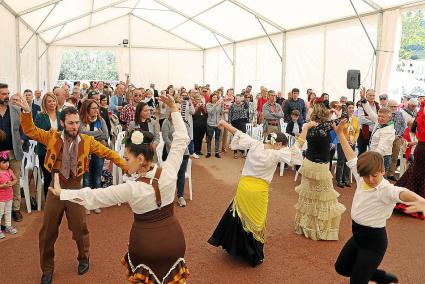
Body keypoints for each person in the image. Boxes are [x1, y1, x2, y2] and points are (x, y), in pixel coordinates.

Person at [49, 94, 190, 283]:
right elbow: (181, 139)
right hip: (175, 242)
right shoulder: (170, 171)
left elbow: (94, 197)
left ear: (140, 159)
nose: (123, 161)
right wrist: (173, 109)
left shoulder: (131, 189)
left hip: (145, 245)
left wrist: (62, 193)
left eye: (127, 158)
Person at [14, 95, 128, 284]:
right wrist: (27, 111)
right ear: (62, 123)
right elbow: (30, 130)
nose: (75, 127)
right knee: (47, 231)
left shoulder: (87, 141)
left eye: (77, 123)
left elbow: (108, 152)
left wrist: (126, 165)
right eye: (71, 123)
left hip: (76, 188)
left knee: (79, 228)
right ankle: (47, 269)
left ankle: (84, 257)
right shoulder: (51, 136)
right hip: (54, 188)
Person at [208, 119, 314, 266]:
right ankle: (253, 254)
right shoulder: (276, 153)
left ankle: (235, 247)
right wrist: (306, 127)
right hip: (259, 191)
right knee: (256, 222)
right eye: (282, 146)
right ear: (278, 144)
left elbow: (236, 132)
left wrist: (223, 123)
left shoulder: (254, 144)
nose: (282, 148)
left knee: (239, 216)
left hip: (244, 187)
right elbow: (297, 147)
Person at [333, 119, 425, 284]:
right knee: (341, 268)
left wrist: (421, 201)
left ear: (382, 170)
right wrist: (340, 134)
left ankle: (371, 276)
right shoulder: (363, 177)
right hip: (357, 237)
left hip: (374, 243)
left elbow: (403, 193)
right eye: (366, 176)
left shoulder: (386, 189)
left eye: (374, 175)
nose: (370, 179)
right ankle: (381, 276)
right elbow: (350, 155)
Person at [294, 98, 347, 241]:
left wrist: (329, 115)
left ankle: (305, 226)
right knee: (325, 198)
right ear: (325, 112)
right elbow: (345, 117)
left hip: (308, 165)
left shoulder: (309, 126)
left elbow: (303, 141)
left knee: (309, 196)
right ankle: (320, 229)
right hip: (321, 166)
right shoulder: (327, 125)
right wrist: (338, 109)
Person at [394, 100, 425, 218]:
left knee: (416, 172)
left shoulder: (420, 116)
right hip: (422, 149)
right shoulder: (421, 117)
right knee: (418, 173)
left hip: (421, 148)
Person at [79, 99, 109, 215]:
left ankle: (95, 204)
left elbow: (106, 135)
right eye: (93, 108)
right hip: (85, 153)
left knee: (97, 177)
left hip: (98, 152)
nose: (96, 110)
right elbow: (81, 134)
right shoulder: (81, 121)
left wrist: (89, 136)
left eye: (97, 108)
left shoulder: (101, 120)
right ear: (87, 109)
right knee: (86, 179)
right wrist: (98, 134)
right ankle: (87, 204)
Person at [0, 83, 23, 222]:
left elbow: (24, 130)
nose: (7, 96)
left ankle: (15, 209)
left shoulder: (16, 110)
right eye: (3, 94)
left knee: (15, 180)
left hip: (13, 152)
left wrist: (23, 140)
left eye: (8, 93)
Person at [35, 92, 62, 199]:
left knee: (59, 176)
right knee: (47, 177)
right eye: (49, 101)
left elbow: (64, 132)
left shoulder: (61, 115)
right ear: (44, 104)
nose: (52, 103)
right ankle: (49, 201)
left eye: (54, 100)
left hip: (60, 151)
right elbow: (37, 133)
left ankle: (59, 199)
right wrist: (48, 145)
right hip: (44, 151)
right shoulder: (40, 115)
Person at [335, 101, 359, 188]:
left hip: (351, 143)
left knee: (349, 162)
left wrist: (354, 140)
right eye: (349, 108)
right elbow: (339, 130)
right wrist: (345, 140)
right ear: (346, 109)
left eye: (353, 108)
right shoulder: (342, 119)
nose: (351, 109)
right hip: (342, 142)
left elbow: (357, 131)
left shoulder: (355, 119)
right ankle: (339, 180)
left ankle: (346, 179)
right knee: (341, 161)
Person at [0, 150, 18, 239]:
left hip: (9, 197)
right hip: (1, 198)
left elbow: (15, 179)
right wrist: (2, 185)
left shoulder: (9, 171)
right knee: (0, 213)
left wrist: (12, 183)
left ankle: (8, 226)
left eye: (7, 161)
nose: (7, 164)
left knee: (8, 212)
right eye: (4, 162)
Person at [387, 100, 406, 181]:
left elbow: (403, 125)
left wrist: (398, 135)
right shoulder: (385, 114)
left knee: (394, 157)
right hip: (386, 138)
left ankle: (391, 173)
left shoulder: (400, 114)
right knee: (385, 156)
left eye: (395, 106)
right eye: (392, 106)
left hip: (397, 138)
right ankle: (383, 173)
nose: (394, 108)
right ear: (388, 106)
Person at [357, 87, 379, 155]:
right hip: (364, 133)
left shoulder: (377, 105)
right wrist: (375, 121)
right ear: (366, 96)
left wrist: (371, 118)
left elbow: (379, 118)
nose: (372, 97)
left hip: (374, 133)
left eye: (373, 95)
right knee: (361, 154)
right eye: (370, 95)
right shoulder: (361, 104)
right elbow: (361, 119)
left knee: (373, 154)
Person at [206, 93, 223, 158]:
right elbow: (209, 112)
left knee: (217, 138)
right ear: (211, 98)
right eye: (214, 97)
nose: (215, 98)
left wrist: (222, 105)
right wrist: (216, 105)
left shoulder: (219, 104)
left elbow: (221, 112)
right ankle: (208, 152)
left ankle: (216, 152)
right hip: (210, 124)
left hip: (218, 124)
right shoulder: (208, 104)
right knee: (209, 138)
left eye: (216, 97)